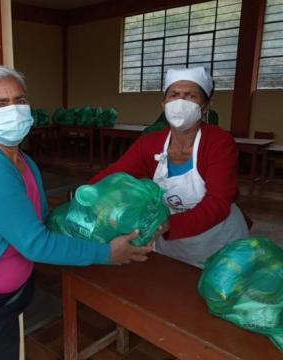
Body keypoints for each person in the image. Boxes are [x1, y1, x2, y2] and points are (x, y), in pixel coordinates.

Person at [0, 65, 153, 360]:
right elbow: (36, 243)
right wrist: (107, 254)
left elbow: (40, 222)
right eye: (0, 104)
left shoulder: (22, 161)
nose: (14, 109)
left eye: (20, 101)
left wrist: (98, 222)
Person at [90, 66, 249, 268]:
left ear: (206, 105)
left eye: (191, 96)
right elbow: (115, 174)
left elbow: (218, 203)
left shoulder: (218, 142)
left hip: (215, 239)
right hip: (170, 239)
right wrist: (87, 194)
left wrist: (168, 225)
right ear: (164, 103)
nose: (180, 102)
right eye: (174, 95)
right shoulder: (150, 143)